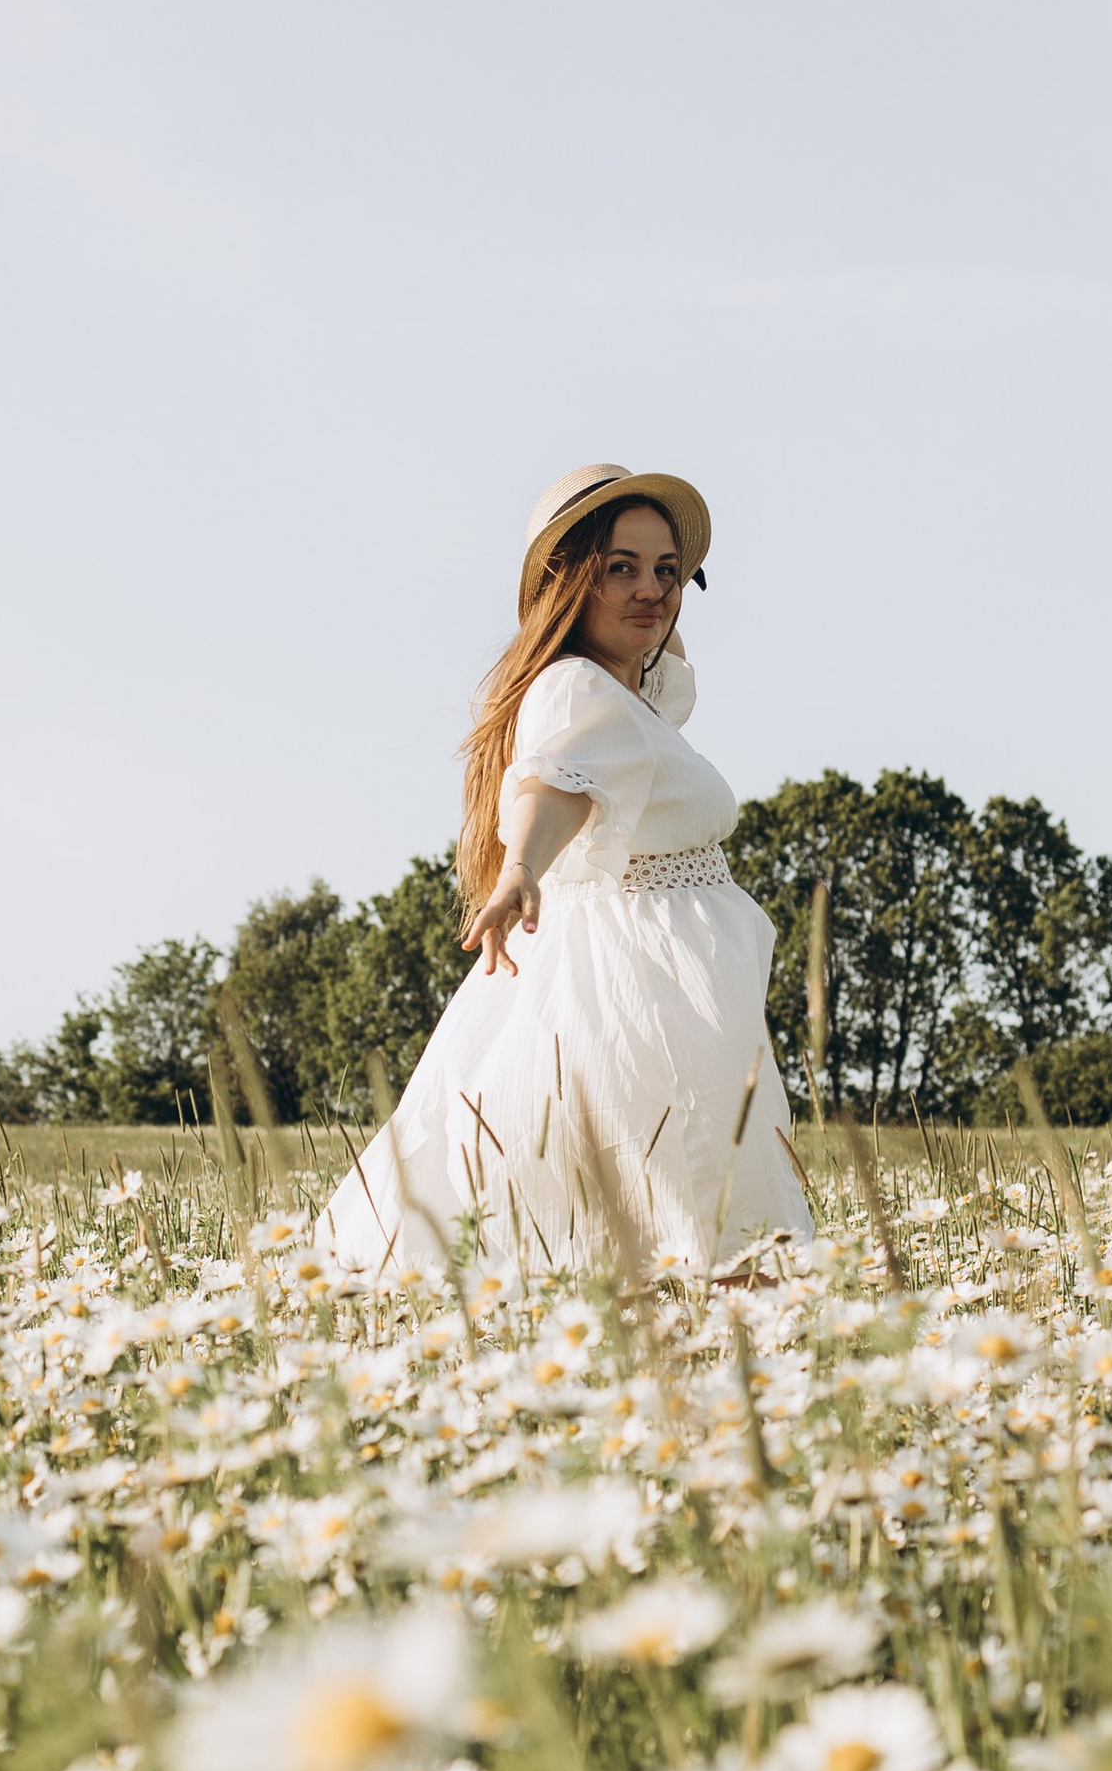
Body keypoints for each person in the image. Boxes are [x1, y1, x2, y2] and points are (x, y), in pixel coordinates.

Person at [318, 463, 813, 1279]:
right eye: (621, 568)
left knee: (686, 1208)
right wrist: (519, 868)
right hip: (645, 987)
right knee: (693, 1205)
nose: (651, 589)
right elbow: (554, 782)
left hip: (671, 978)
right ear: (569, 580)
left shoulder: (624, 694)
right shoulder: (576, 689)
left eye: (667, 570)